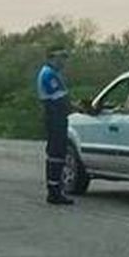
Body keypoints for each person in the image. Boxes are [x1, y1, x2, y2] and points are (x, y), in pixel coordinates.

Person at [36, 47, 74, 205]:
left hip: (57, 116)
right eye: (61, 57)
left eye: (65, 58)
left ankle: (55, 188)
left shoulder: (53, 73)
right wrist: (76, 107)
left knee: (58, 153)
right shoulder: (48, 74)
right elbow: (59, 99)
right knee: (56, 154)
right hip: (54, 116)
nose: (63, 61)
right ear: (51, 58)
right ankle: (54, 191)